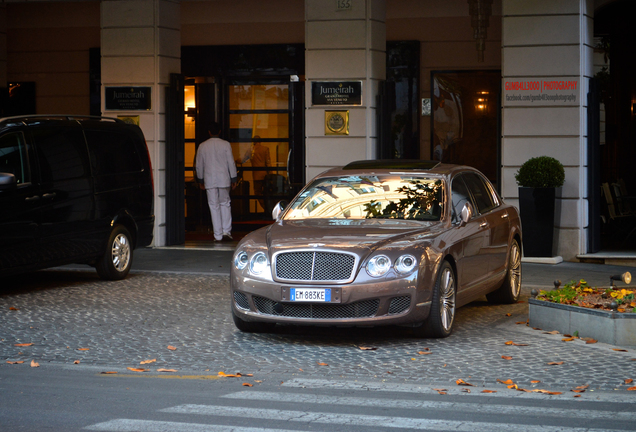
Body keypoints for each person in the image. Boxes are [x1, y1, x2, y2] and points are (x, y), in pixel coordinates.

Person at [196, 122, 237, 241]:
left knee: (214, 206)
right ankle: (226, 232)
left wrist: (200, 179)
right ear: (219, 132)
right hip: (224, 178)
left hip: (209, 179)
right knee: (225, 204)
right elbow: (231, 162)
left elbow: (199, 165)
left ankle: (217, 235)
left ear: (209, 132)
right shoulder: (226, 145)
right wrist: (233, 177)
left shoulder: (202, 146)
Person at [237, 136, 271, 211]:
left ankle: (266, 208)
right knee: (266, 193)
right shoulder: (265, 149)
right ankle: (269, 209)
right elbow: (268, 163)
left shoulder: (251, 150)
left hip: (256, 176)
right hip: (265, 175)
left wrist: (235, 160)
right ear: (260, 141)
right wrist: (270, 174)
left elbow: (243, 160)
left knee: (257, 193)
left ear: (253, 141)